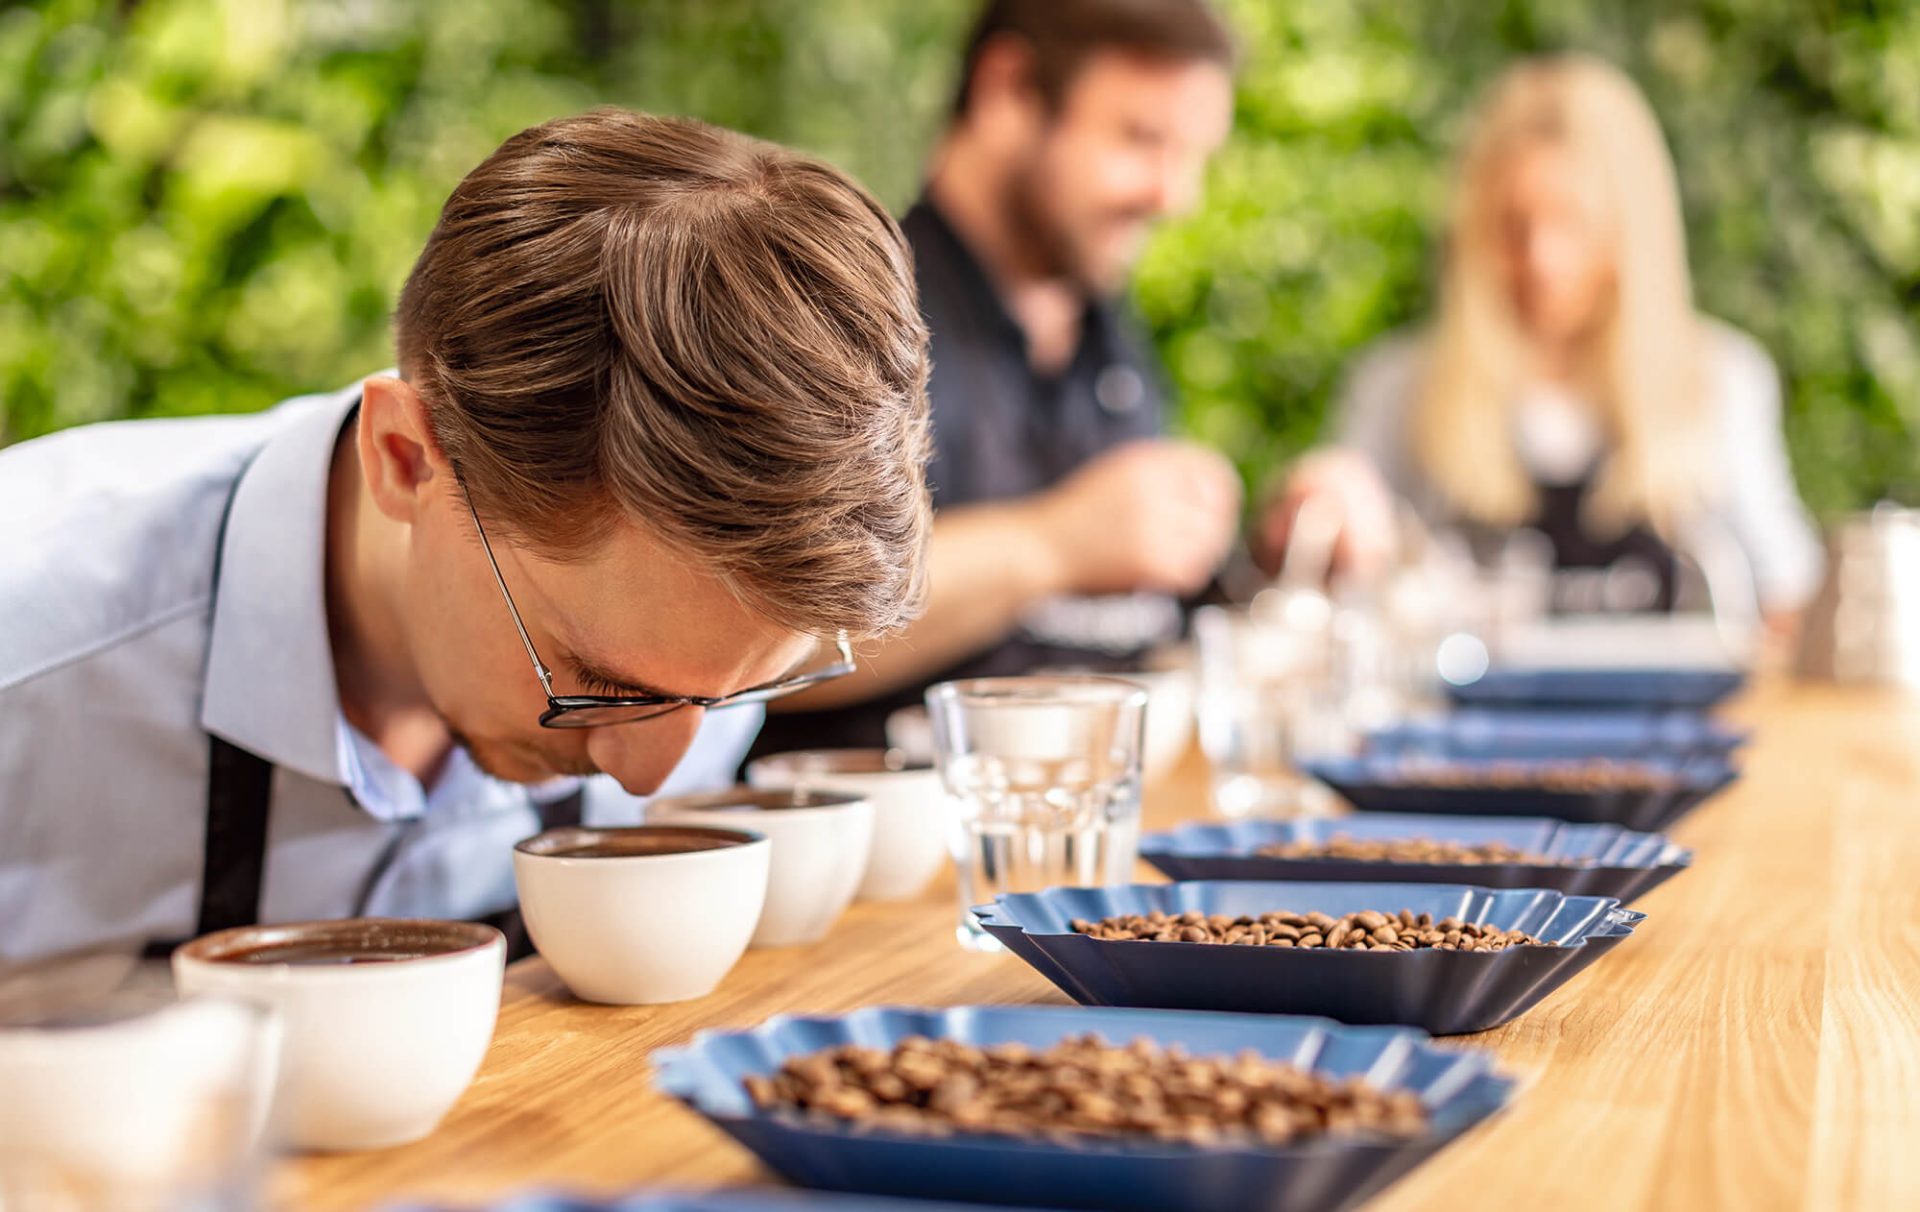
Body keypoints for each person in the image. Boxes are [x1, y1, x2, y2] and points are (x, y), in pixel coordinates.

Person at [0, 109, 931, 966]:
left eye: (736, 695)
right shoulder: (32, 655)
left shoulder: (681, 640)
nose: (656, 775)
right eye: (594, 685)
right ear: (405, 458)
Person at [754, 0, 1243, 755]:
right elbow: (763, 633)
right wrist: (1053, 546)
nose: (1173, 196)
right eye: (1142, 138)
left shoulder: (1106, 333)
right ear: (1008, 90)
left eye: (1192, 155)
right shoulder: (839, 313)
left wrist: (1279, 547)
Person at [1270, 56, 1823, 627]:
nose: (1541, 259)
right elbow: (1323, 583)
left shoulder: (1720, 378)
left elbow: (1785, 592)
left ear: (1628, 228)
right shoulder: (1400, 385)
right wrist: (1318, 515)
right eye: (1513, 225)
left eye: (1571, 221)